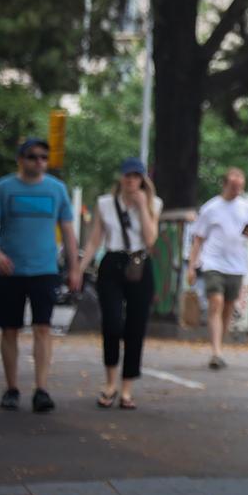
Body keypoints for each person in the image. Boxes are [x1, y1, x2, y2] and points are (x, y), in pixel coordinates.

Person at [0, 138, 81, 413]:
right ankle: (12, 388)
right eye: (32, 157)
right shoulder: (4, 188)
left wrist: (74, 268)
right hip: (8, 271)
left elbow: (69, 232)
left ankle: (41, 389)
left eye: (43, 157)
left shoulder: (57, 189)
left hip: (44, 269)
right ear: (21, 160)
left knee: (43, 328)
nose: (38, 161)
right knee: (10, 330)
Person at [80, 158, 162, 409]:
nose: (131, 181)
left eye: (136, 176)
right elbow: (95, 240)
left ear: (143, 180)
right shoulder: (105, 203)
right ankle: (109, 383)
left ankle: (127, 389)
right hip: (112, 263)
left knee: (136, 327)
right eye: (127, 176)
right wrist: (79, 269)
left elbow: (150, 240)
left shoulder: (153, 203)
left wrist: (142, 207)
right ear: (121, 177)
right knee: (112, 323)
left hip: (140, 264)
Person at [186, 167, 248, 369]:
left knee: (228, 307)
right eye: (233, 185)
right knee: (216, 302)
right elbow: (198, 239)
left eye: (240, 186)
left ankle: (220, 343)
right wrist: (192, 267)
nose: (237, 189)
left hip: (237, 265)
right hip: (213, 263)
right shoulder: (211, 208)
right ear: (225, 184)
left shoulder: (247, 208)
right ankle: (216, 351)